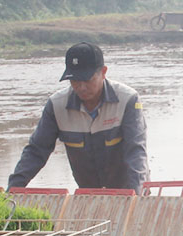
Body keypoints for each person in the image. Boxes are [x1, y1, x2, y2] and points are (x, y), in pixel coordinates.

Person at [8, 42, 149, 194]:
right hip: (88, 195)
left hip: (129, 190)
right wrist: (13, 189)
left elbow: (136, 151)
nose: (81, 87)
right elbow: (36, 151)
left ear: (103, 72)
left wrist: (137, 196)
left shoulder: (127, 100)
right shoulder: (57, 105)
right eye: (75, 81)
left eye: (87, 80)